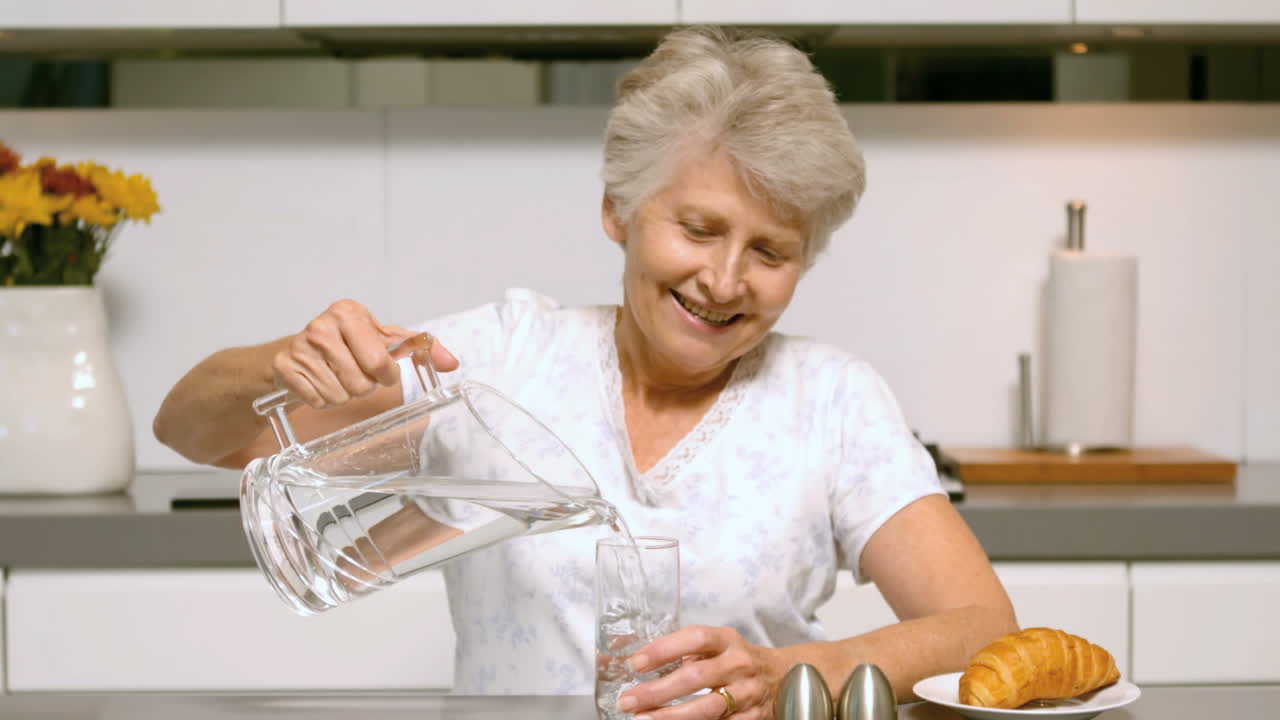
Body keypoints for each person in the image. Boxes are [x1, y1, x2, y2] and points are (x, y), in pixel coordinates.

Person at [154, 25, 1016, 719]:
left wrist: (787, 672)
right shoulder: (497, 360)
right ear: (619, 210)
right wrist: (284, 363)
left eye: (771, 250)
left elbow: (984, 630)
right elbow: (193, 431)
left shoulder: (831, 400)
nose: (724, 280)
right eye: (700, 229)